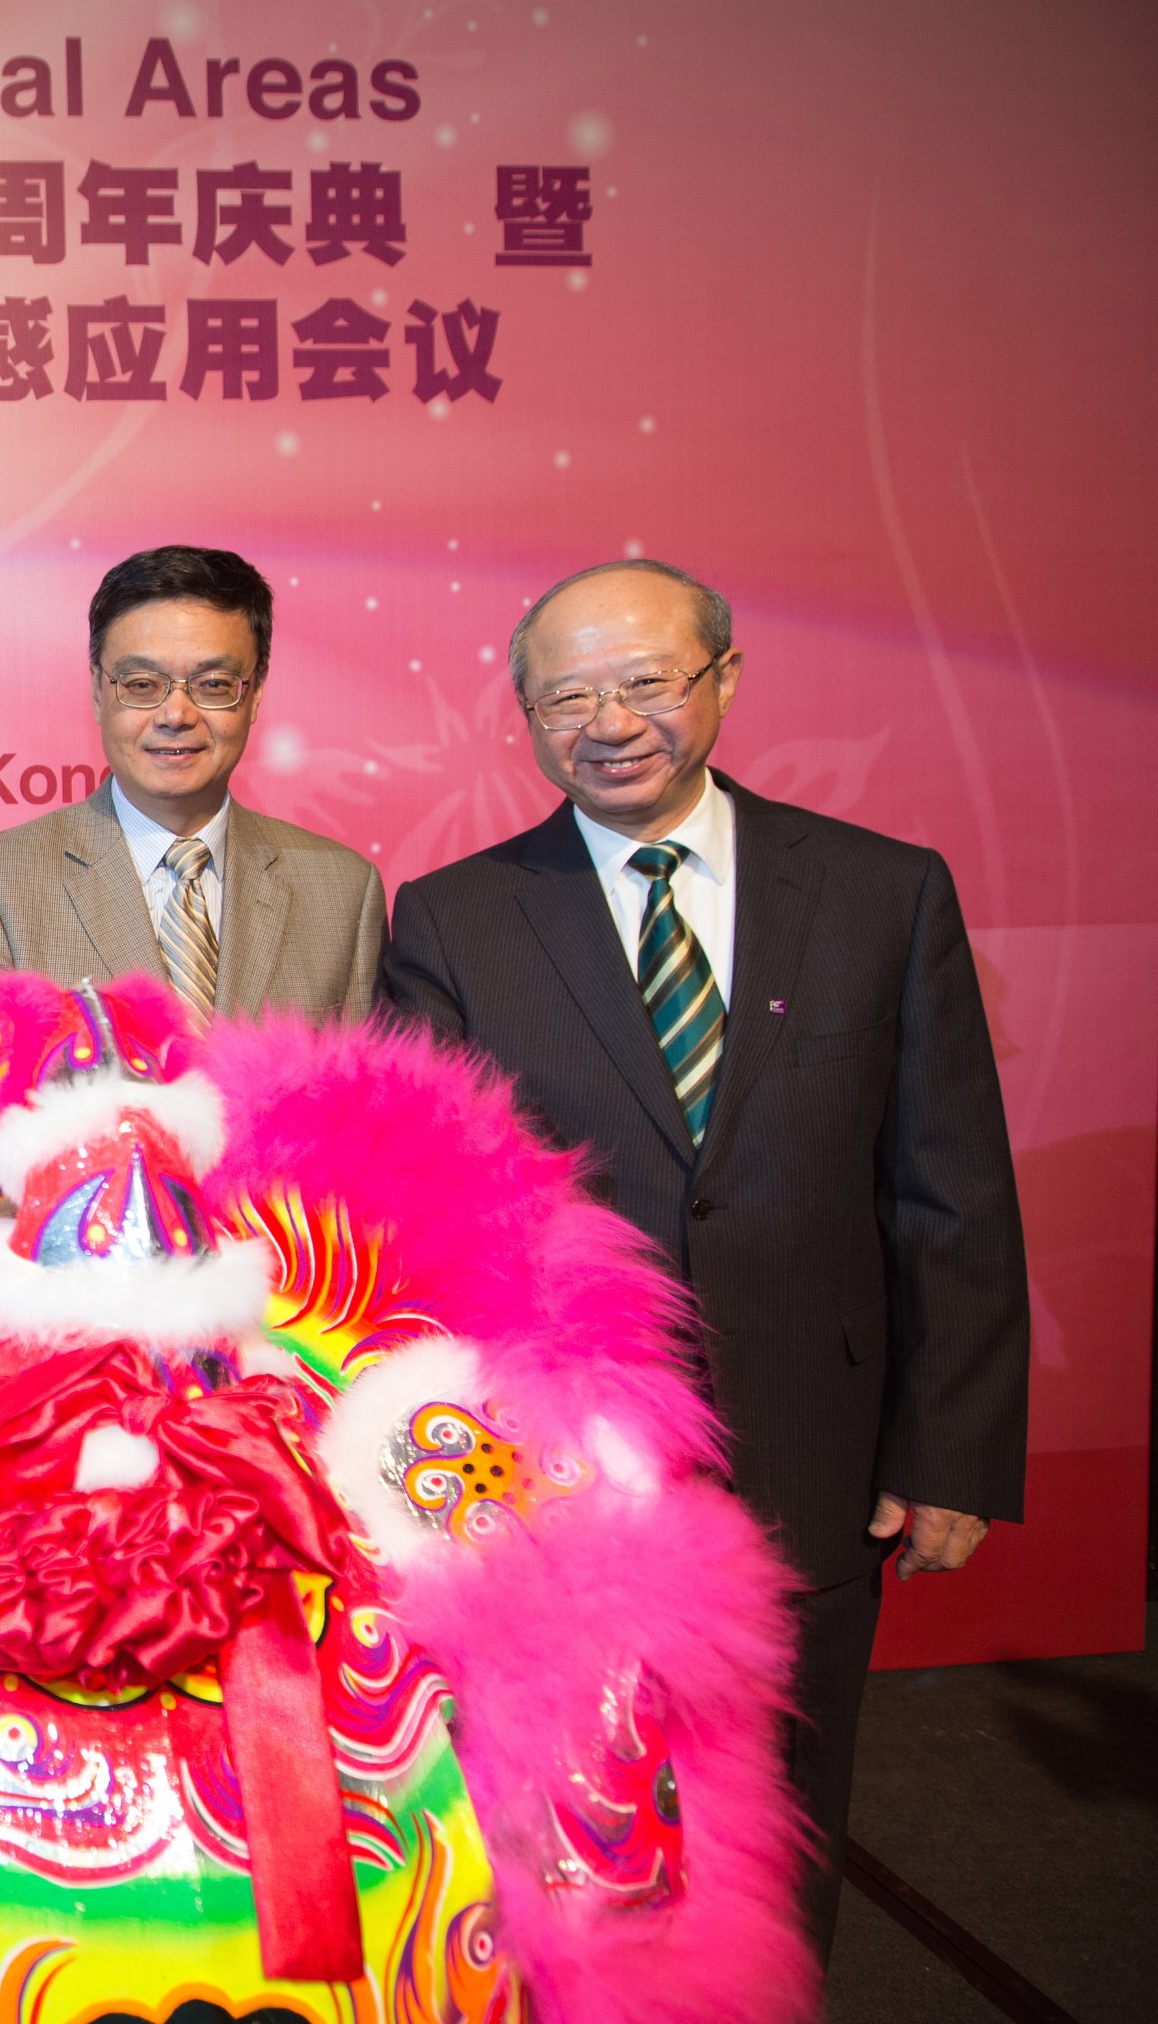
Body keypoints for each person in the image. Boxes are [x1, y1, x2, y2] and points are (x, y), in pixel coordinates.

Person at [381, 557, 1029, 1957]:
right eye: (564, 696)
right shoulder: (450, 918)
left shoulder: (878, 892)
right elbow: (435, 1214)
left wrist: (948, 1451)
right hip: (565, 1469)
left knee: (794, 1803)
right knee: (579, 1812)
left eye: (643, 681)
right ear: (525, 716)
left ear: (721, 681)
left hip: (817, 1440)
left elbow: (947, 1190)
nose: (606, 720)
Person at [0, 544, 386, 1143]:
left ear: (254, 694)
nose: (175, 713)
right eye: (141, 682)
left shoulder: (341, 889)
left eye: (212, 684)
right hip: (81, 1220)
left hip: (276, 1226)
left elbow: (372, 1096)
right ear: (100, 692)